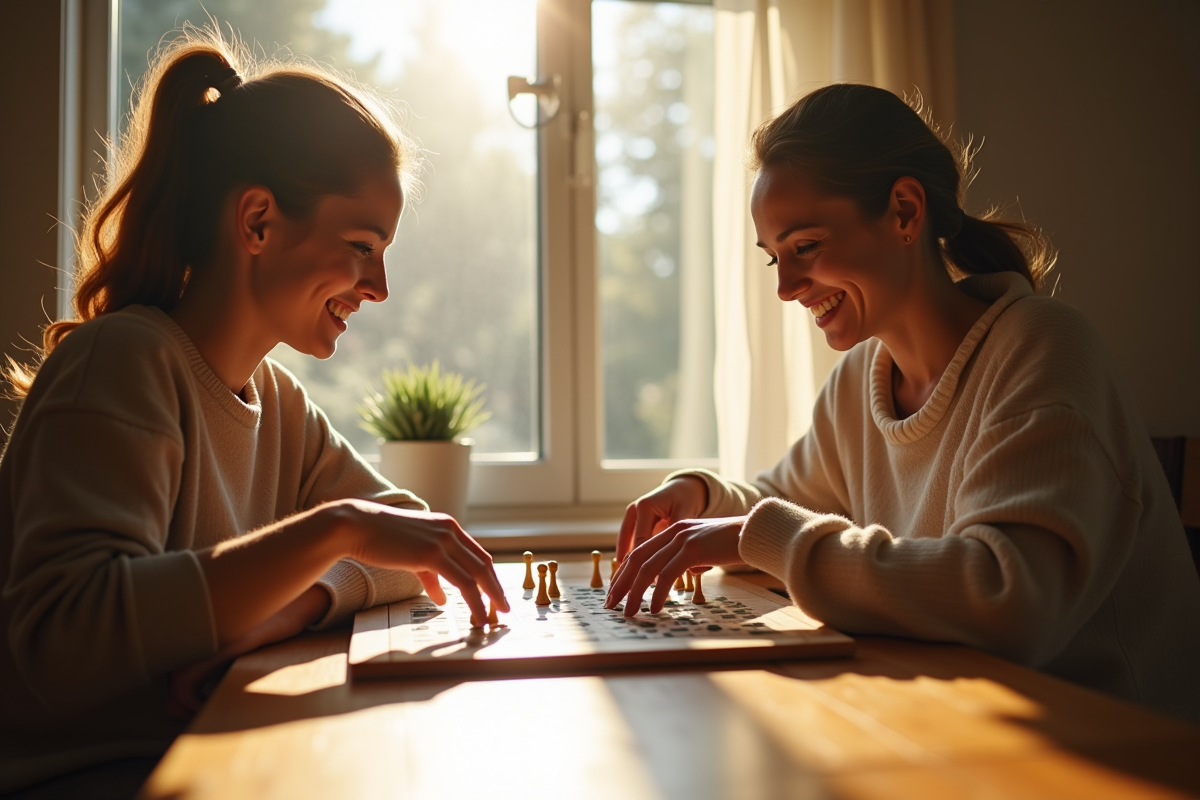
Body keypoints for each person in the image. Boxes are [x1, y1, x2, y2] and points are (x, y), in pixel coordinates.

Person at [0, 29, 509, 797]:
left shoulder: (280, 400)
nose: (379, 287)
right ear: (259, 222)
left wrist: (280, 612)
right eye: (362, 245)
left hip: (197, 757)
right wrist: (337, 529)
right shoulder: (123, 363)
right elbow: (63, 639)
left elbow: (408, 534)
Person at [606, 83, 1200, 724]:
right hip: (962, 728)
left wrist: (757, 535)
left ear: (905, 212)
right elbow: (782, 506)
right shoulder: (862, 376)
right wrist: (699, 496)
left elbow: (1006, 596)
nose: (785, 287)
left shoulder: (1044, 349)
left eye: (805, 247)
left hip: (1120, 755)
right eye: (774, 257)